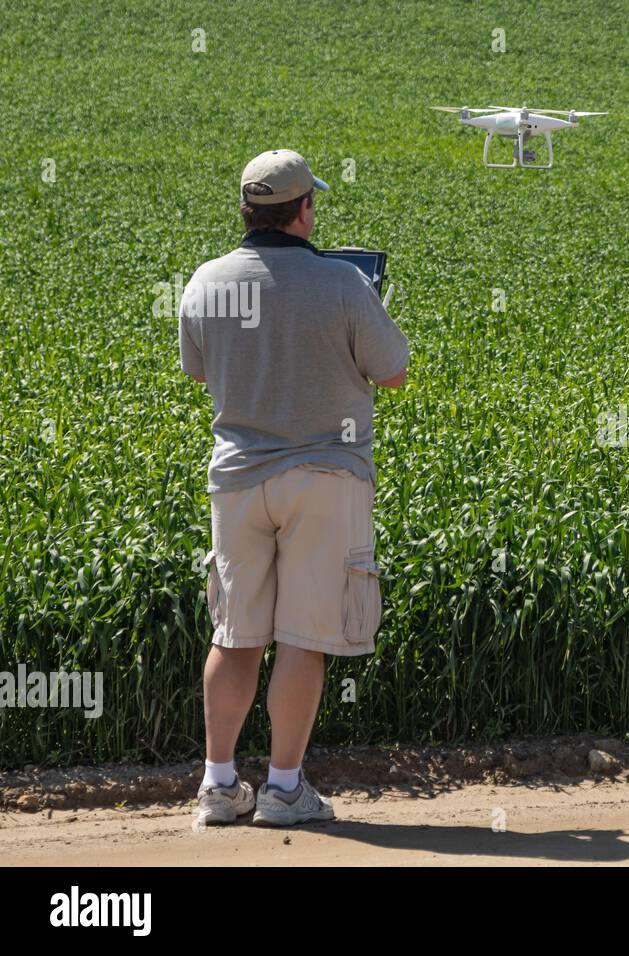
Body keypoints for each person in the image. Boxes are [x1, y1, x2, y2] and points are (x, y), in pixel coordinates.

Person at [179, 149, 408, 826]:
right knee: (304, 637)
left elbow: (198, 370)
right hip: (324, 477)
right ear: (304, 211)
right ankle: (283, 791)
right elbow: (392, 373)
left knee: (235, 632)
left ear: (248, 211)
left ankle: (219, 787)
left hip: (238, 478)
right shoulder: (342, 284)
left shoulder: (206, 282)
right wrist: (366, 310)